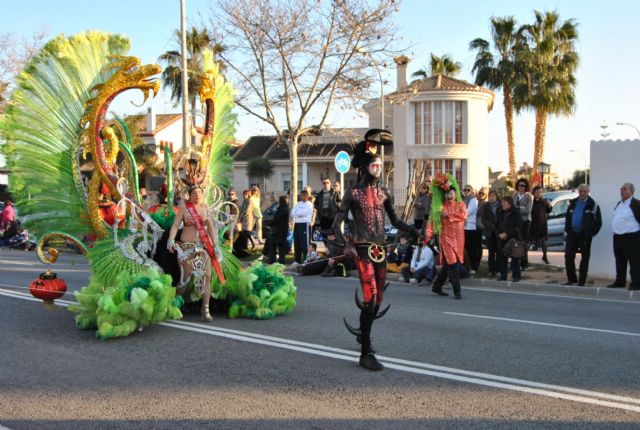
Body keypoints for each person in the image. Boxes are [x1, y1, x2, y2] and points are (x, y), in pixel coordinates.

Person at [333, 129, 418, 371]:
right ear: (365, 166)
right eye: (374, 164)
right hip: (362, 250)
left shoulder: (384, 193)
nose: (378, 168)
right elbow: (336, 223)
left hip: (381, 249)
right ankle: (365, 351)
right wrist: (346, 244)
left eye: (380, 164)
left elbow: (396, 221)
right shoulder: (353, 193)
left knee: (378, 299)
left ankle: (364, 331)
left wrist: (413, 231)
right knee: (370, 297)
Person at [167, 185, 223, 322]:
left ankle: (205, 309)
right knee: (184, 278)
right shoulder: (185, 208)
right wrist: (171, 240)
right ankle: (175, 305)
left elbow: (211, 229)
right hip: (186, 248)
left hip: (203, 248)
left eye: (199, 192)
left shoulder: (206, 209)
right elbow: (175, 226)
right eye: (194, 192)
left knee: (207, 277)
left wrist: (215, 246)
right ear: (190, 195)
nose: (197, 195)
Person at [426, 183, 467, 299]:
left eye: (451, 193)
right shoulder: (440, 206)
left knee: (448, 265)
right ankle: (457, 291)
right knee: (452, 264)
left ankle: (437, 286)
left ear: (455, 193)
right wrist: (427, 234)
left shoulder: (461, 204)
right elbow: (432, 221)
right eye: (446, 194)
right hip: (445, 238)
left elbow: (463, 216)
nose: (449, 196)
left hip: (458, 239)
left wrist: (448, 214)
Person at [563, 184, 602, 286]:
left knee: (585, 258)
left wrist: (591, 234)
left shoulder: (593, 204)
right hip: (572, 234)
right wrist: (568, 230)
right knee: (568, 257)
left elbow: (598, 222)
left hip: (585, 236)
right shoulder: (572, 203)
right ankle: (571, 279)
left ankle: (581, 281)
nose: (583, 193)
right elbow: (567, 217)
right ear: (578, 192)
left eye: (585, 191)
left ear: (588, 192)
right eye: (581, 191)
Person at [607, 182, 640, 290]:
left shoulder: (636, 204)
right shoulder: (619, 204)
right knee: (619, 260)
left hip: (631, 237)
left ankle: (636, 283)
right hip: (618, 237)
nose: (622, 191)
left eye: (624, 189)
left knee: (634, 261)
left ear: (631, 191)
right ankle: (620, 281)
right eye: (621, 189)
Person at [496, 195, 522, 282]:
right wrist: (499, 234)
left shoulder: (516, 213)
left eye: (504, 203)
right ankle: (503, 276)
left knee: (514, 258)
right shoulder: (500, 212)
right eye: (502, 202)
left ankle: (516, 276)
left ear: (509, 204)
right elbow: (495, 225)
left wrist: (507, 234)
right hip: (502, 238)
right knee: (502, 258)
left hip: (513, 238)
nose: (502, 204)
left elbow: (517, 227)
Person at [513, 178, 533, 270]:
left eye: (523, 185)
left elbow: (528, 210)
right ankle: (516, 262)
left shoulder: (529, 196)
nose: (521, 187)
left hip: (525, 221)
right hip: (516, 221)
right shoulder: (515, 195)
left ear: (526, 187)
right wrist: (520, 208)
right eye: (520, 185)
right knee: (516, 242)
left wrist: (518, 209)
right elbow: (512, 207)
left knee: (524, 242)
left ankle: (524, 263)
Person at [530, 186, 553, 265]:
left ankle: (545, 256)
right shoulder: (531, 201)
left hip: (543, 224)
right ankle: (523, 258)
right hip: (533, 225)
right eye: (537, 192)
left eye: (540, 192)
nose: (539, 194)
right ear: (534, 193)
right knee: (529, 241)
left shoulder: (543, 201)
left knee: (544, 242)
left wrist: (550, 206)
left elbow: (548, 210)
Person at [290, 189, 314, 265]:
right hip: (297, 224)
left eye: (304, 195)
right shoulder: (297, 204)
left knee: (305, 243)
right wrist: (300, 214)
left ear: (307, 196)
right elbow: (293, 213)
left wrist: (298, 214)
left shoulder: (310, 204)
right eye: (301, 195)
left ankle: (306, 259)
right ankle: (297, 260)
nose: (302, 196)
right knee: (297, 242)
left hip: (305, 224)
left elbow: (306, 213)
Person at [480, 190, 500, 276]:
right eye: (490, 196)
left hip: (499, 231)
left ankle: (498, 269)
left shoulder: (500, 205)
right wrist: (491, 225)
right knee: (491, 252)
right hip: (489, 231)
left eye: (493, 196)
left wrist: (498, 226)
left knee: (499, 251)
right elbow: (483, 219)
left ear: (496, 197)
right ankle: (491, 270)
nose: (491, 198)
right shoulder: (485, 206)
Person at [266, 196, 290, 264]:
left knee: (274, 247)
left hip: (279, 232)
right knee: (280, 247)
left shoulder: (282, 210)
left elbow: (276, 219)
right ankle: (280, 261)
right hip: (281, 231)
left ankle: (274, 261)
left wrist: (269, 224)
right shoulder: (284, 209)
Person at [462, 185, 480, 273]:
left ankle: (474, 267)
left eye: (468, 190)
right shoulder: (463, 200)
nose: (466, 192)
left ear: (472, 191)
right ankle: (467, 266)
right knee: (465, 248)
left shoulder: (474, 200)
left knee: (471, 248)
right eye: (464, 190)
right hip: (463, 226)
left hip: (470, 226)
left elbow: (466, 212)